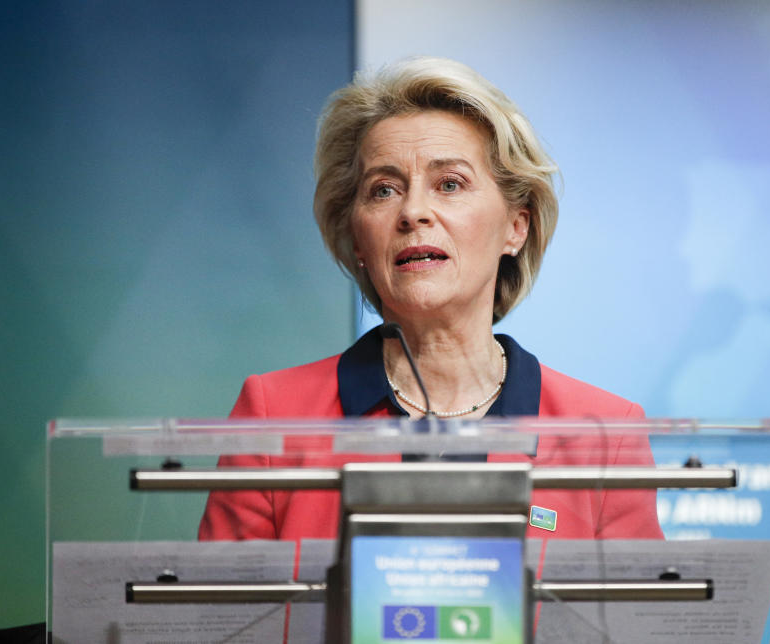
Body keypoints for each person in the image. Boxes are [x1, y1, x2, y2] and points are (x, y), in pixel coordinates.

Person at [199, 57, 663, 542]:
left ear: (516, 227)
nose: (413, 211)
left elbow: (640, 616)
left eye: (450, 184)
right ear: (357, 240)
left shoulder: (606, 433)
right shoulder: (274, 415)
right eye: (383, 190)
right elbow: (221, 614)